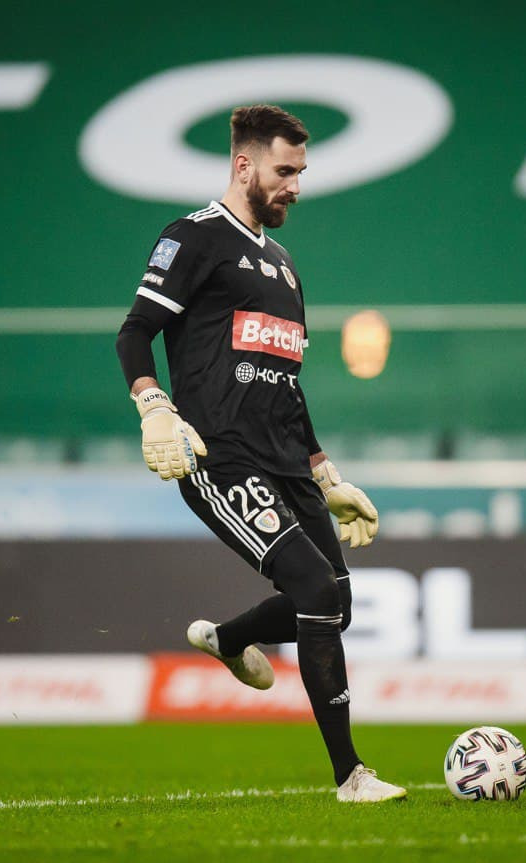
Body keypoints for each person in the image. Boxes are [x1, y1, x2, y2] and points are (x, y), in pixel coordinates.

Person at [114, 104, 405, 803]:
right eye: (284, 171)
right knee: (314, 591)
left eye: (301, 172)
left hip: (284, 459)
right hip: (220, 457)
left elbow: (286, 382)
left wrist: (325, 473)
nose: (296, 186)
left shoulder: (283, 265)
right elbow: (134, 332)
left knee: (337, 603)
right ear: (243, 165)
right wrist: (154, 405)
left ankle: (227, 639)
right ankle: (351, 776)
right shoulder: (193, 237)